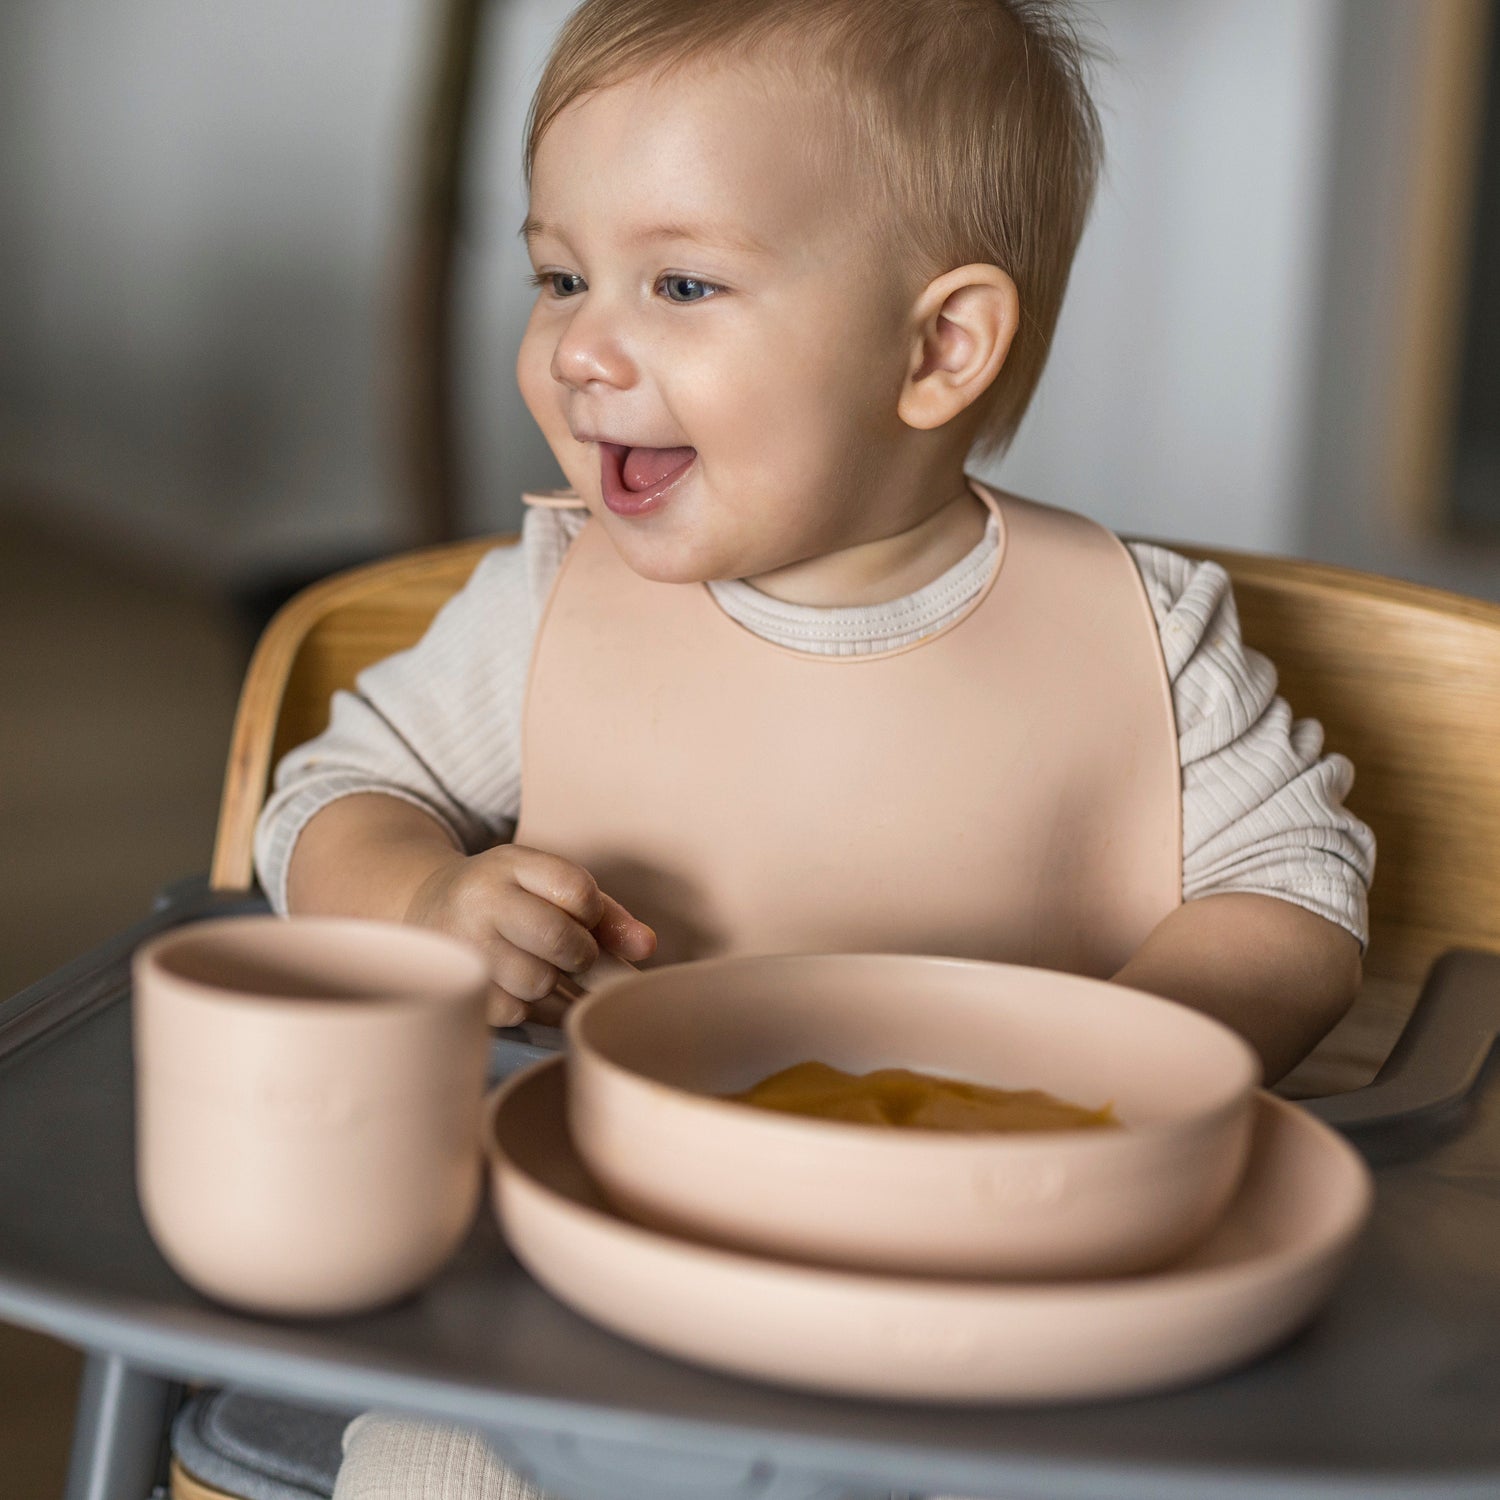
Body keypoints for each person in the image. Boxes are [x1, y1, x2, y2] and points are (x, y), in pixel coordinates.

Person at [254, 1, 1375, 1494]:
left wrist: (1126, 1069)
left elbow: (1297, 883)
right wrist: (419, 903)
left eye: (683, 282)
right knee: (427, 1457)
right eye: (561, 274)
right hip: (596, 1271)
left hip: (1007, 1303)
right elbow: (334, 793)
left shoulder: (1141, 633)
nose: (584, 346)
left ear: (939, 346)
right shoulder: (544, 603)